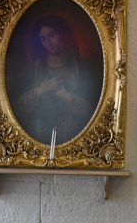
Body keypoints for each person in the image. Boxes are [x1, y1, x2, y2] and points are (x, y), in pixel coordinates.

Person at [11, 15, 96, 144]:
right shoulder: (35, 68)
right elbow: (17, 109)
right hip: (39, 135)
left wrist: (66, 96)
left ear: (62, 35)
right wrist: (40, 90)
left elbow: (92, 113)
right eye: (43, 39)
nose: (48, 43)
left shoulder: (80, 67)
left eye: (52, 36)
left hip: (72, 136)